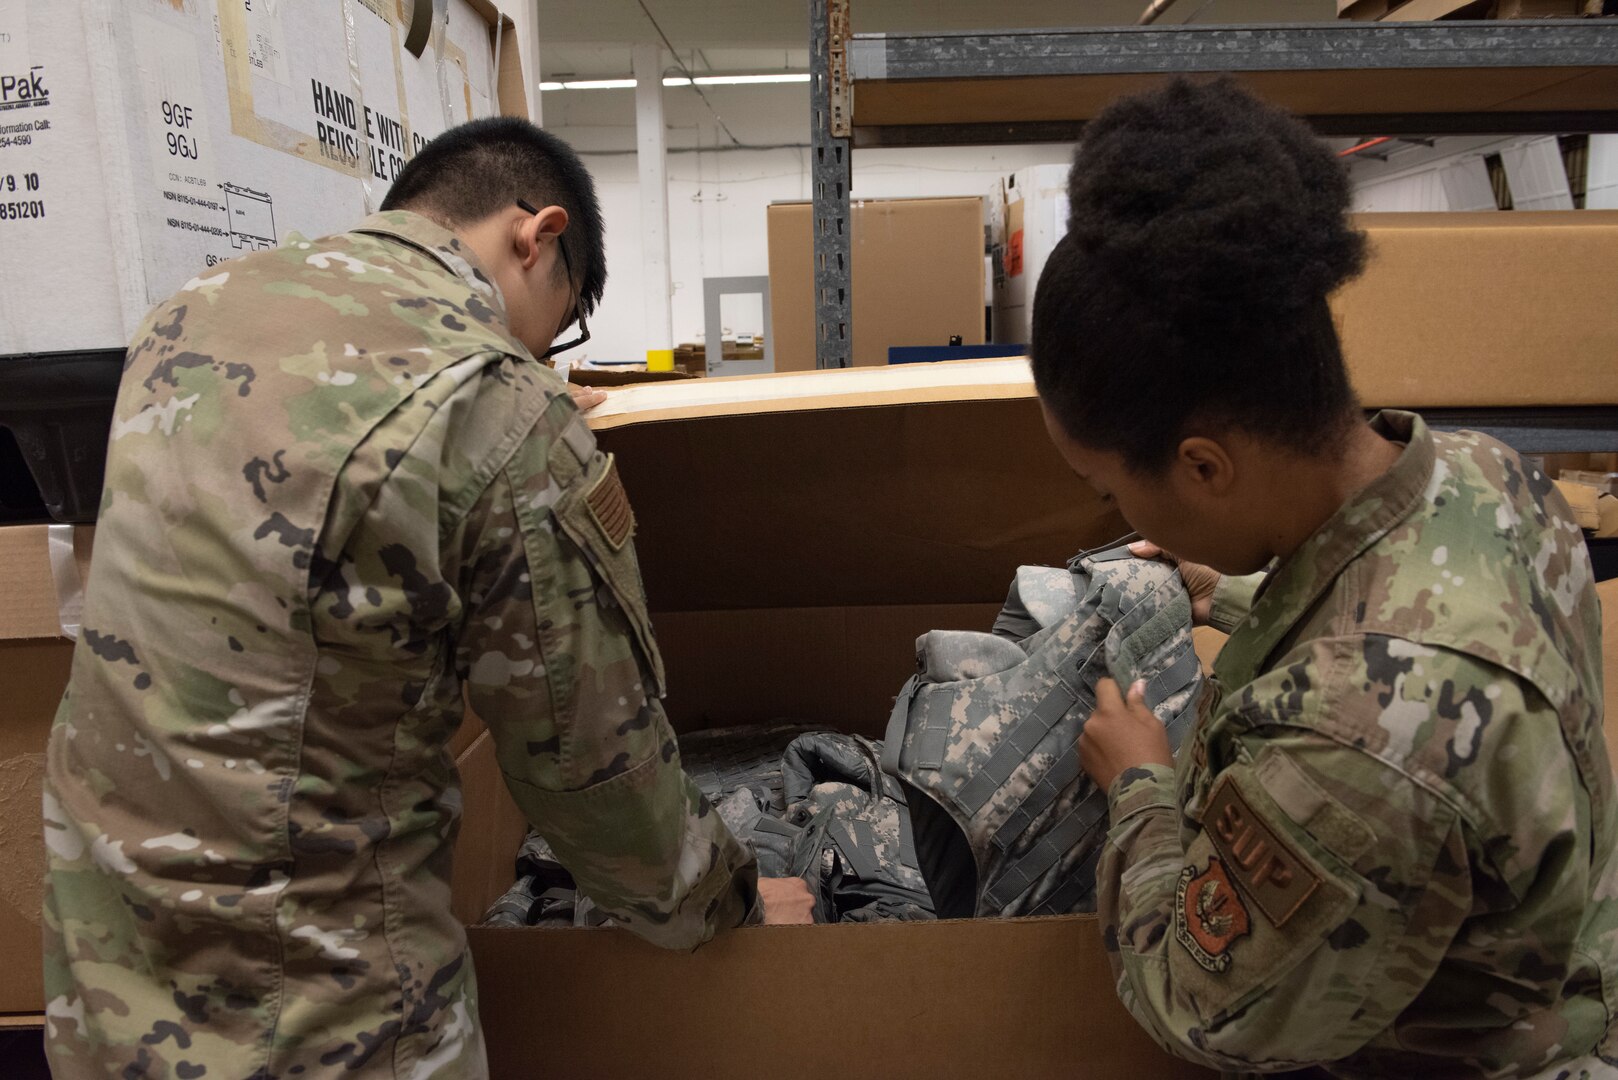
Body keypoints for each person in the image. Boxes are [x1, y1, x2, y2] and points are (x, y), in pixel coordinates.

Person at [41, 116, 813, 1079]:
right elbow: (595, 775)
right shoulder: (496, 405)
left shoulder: (193, 310)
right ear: (537, 236)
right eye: (558, 325)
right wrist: (728, 901)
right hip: (317, 1014)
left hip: (107, 972)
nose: (545, 359)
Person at [1032, 78, 1616, 1077]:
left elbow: (1202, 1007)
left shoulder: (1356, 751)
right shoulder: (1487, 477)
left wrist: (1136, 786)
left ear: (1204, 466)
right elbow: (1399, 615)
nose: (1109, 516)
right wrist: (1224, 593)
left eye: (1103, 488)